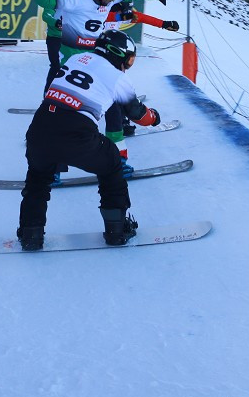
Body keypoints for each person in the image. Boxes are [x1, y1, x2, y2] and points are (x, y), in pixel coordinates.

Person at [16, 29, 162, 251]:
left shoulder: (76, 58)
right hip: (76, 131)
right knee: (112, 163)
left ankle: (30, 234)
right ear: (118, 54)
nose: (128, 65)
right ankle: (117, 230)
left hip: (39, 127)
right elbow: (137, 114)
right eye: (129, 59)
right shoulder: (118, 77)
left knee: (38, 178)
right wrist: (154, 118)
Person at [44, 0, 178, 173]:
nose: (111, 1)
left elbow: (133, 3)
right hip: (80, 56)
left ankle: (55, 164)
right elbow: (49, 9)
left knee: (76, 106)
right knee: (69, 94)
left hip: (89, 58)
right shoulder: (74, 0)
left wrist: (158, 7)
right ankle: (57, 162)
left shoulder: (109, 4)